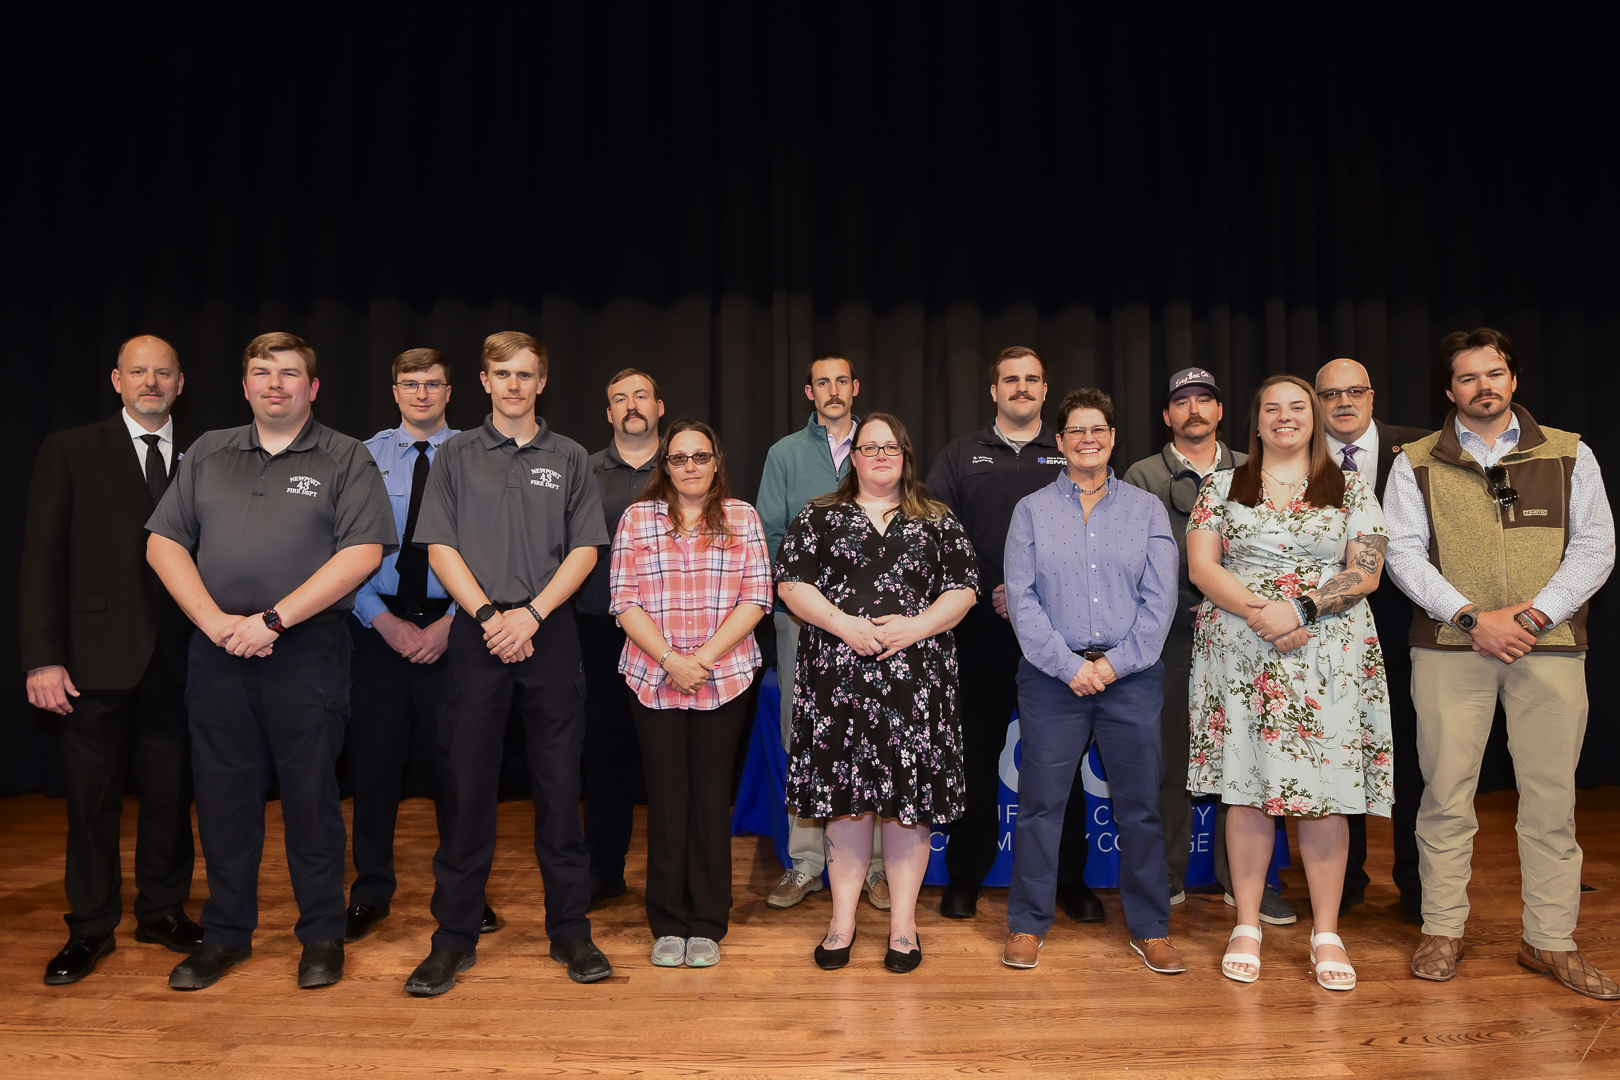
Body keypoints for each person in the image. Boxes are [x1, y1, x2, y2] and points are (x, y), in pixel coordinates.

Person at [147, 332, 396, 991]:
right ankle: (225, 935)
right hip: (219, 651)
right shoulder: (207, 452)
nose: (276, 384)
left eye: (290, 374)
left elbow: (363, 553)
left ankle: (321, 935)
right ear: (245, 385)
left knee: (311, 800)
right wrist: (218, 624)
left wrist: (274, 620)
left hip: (306, 651)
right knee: (224, 800)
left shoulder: (345, 456)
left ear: (312, 388)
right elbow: (164, 544)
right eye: (263, 373)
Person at [1384, 328, 1617, 999]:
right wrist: (1469, 619)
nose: (1482, 388)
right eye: (1467, 378)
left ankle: (1550, 940)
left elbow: (1596, 548)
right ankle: (1442, 929)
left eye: (1494, 374)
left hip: (1548, 649)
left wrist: (1532, 616)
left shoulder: (1570, 454)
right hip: (1450, 649)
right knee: (1445, 795)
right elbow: (1403, 553)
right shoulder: (1416, 461)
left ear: (1513, 380)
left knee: (1551, 800)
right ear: (1448, 389)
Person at [403, 331, 613, 995]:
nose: (515, 384)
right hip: (478, 630)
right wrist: (493, 618)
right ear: (485, 381)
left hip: (548, 632)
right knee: (466, 788)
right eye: (503, 373)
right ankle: (453, 938)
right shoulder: (457, 454)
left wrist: (531, 615)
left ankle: (571, 931)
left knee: (557, 789)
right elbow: (439, 545)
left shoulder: (572, 457)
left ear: (542, 381)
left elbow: (584, 551)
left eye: (526, 373)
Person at [1186, 374, 1392, 991]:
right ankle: (1245, 922)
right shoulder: (1221, 485)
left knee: (1325, 792)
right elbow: (1201, 566)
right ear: (1254, 421)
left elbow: (1367, 571)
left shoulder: (1352, 487)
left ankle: (1326, 931)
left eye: (1297, 407)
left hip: (1328, 654)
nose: (1285, 417)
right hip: (1242, 650)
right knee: (1246, 787)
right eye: (1271, 408)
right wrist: (1261, 612)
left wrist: (1299, 610)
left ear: (1317, 416)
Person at [23, 335, 201, 985]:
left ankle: (161, 911)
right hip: (92, 656)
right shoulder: (69, 449)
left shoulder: (208, 454)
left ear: (181, 383)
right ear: (116, 381)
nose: (150, 382)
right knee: (91, 803)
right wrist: (42, 658)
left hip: (183, 655)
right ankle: (91, 928)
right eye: (138, 372)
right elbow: (41, 560)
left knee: (169, 794)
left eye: (162, 373)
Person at [775, 413, 977, 973]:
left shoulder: (937, 518)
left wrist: (914, 627)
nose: (881, 455)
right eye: (870, 447)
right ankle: (841, 923)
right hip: (838, 681)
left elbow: (964, 589)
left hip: (918, 682)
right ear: (854, 457)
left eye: (891, 446)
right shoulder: (819, 514)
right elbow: (790, 583)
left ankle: (904, 927)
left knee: (908, 810)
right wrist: (845, 624)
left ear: (906, 455)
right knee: (846, 804)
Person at [1002, 388, 1181, 975]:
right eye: (1075, 431)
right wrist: (1070, 666)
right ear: (1060, 442)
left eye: (1098, 430)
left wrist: (1112, 665)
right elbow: (1022, 602)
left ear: (1111, 438)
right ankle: (1027, 925)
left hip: (1129, 679)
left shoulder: (1147, 509)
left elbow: (1160, 604)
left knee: (1140, 810)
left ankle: (1151, 929)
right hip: (1053, 680)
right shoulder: (1031, 511)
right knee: (1039, 806)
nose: (1087, 439)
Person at [926, 346, 1098, 923]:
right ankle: (965, 877)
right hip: (978, 632)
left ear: (1046, 391)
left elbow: (1097, 535)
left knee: (1062, 760)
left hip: (1057, 632)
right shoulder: (960, 455)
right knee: (974, 757)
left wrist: (1031, 596)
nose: (1021, 388)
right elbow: (937, 537)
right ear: (993, 391)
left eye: (1032, 380)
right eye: (1010, 380)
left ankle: (1070, 879)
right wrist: (990, 589)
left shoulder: (1073, 449)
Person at [1123, 368, 1299, 926]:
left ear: (1222, 411)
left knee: (1247, 760)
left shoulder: (1255, 470)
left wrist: (1239, 605)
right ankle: (1169, 875)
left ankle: (1243, 883)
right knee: (1171, 755)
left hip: (1249, 635)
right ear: (1167, 416)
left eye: (1205, 400)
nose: (1193, 410)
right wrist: (1184, 607)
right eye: (1182, 402)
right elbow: (1137, 561)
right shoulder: (1143, 474)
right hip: (1170, 636)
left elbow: (1279, 556)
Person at [344, 349, 497, 942]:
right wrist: (382, 621)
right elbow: (343, 548)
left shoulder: (474, 456)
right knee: (374, 768)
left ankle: (464, 893)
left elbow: (489, 547)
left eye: (433, 384)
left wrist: (454, 622)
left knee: (459, 771)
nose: (422, 394)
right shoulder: (363, 457)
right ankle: (370, 890)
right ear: (395, 390)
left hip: (457, 630)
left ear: (451, 391)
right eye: (410, 384)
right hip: (376, 630)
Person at [609, 419, 771, 968]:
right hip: (652, 677)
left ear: (717, 461)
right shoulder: (637, 518)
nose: (691, 467)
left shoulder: (743, 519)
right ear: (666, 466)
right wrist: (669, 660)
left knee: (709, 799)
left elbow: (757, 599)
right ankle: (668, 922)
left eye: (700, 457)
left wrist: (700, 660)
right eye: (679, 459)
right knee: (667, 799)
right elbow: (623, 599)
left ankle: (706, 920)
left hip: (722, 678)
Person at [756, 355, 886, 911]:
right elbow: (768, 533)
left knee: (878, 735)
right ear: (809, 392)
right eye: (821, 383)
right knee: (805, 735)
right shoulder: (784, 454)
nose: (832, 391)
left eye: (841, 381)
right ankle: (806, 862)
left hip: (879, 624)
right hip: (804, 622)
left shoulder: (881, 447)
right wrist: (822, 601)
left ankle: (878, 869)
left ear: (855, 388)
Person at [1313, 358, 1430, 921]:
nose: (1342, 402)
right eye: (1330, 394)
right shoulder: (1297, 458)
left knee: (1414, 757)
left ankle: (1416, 884)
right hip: (1330, 633)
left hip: (1413, 629)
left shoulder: (1421, 449)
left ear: (1372, 396)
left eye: (1353, 391)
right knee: (1339, 756)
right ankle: (1347, 884)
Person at [577, 368, 663, 909]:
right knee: (602, 754)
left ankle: (670, 877)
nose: (631, 406)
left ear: (658, 407)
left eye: (640, 396)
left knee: (666, 761)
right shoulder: (581, 470)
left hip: (671, 638)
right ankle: (604, 871)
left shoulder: (685, 466)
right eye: (619, 399)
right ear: (608, 414)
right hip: (596, 632)